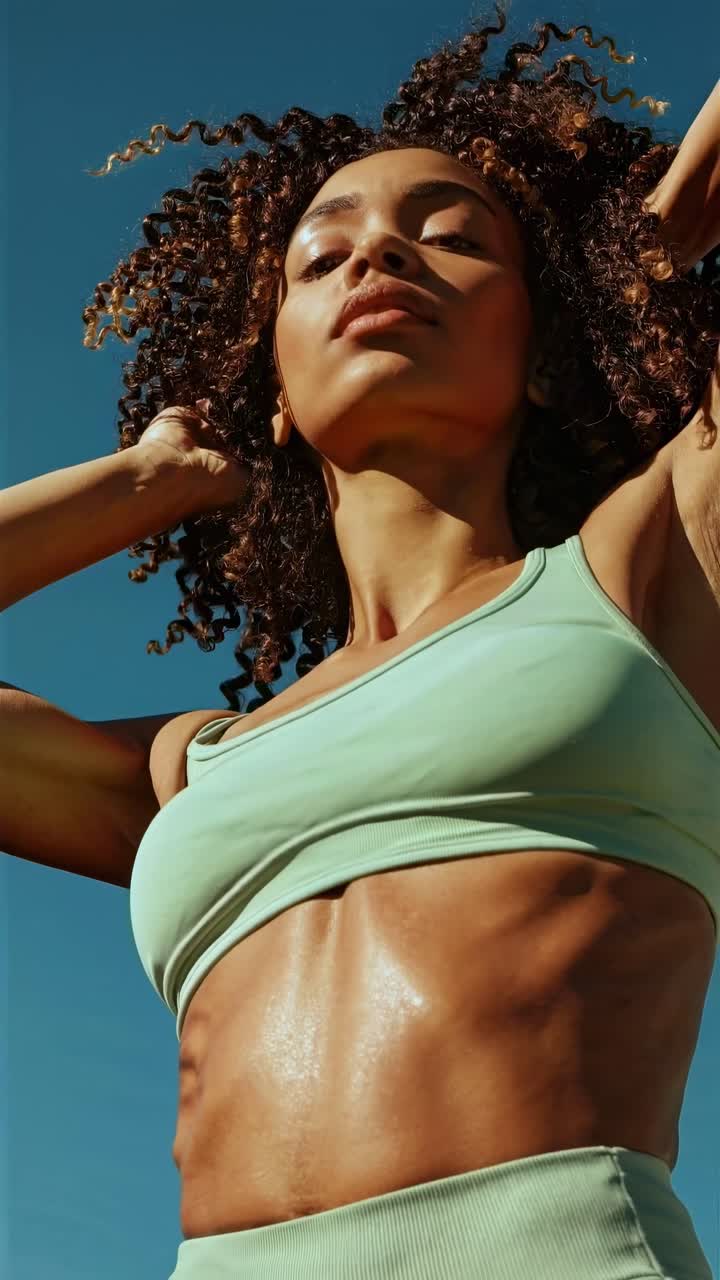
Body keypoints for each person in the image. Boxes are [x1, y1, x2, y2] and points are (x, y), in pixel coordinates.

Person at [2, 8, 719, 1278]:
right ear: (272, 385)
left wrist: (640, 260)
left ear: (547, 349)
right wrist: (145, 480)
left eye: (450, 239)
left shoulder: (650, 569)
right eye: (320, 258)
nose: (379, 253)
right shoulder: (195, 767)